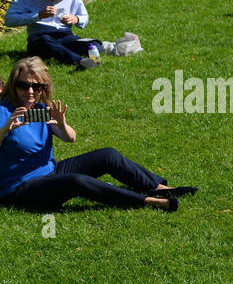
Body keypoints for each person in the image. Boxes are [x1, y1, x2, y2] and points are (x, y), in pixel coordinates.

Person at [0, 57, 193, 212]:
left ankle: (158, 188)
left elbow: (70, 138)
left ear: (45, 88)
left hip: (50, 172)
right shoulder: (3, 111)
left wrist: (61, 123)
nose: (30, 91)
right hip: (21, 188)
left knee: (107, 155)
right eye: (23, 85)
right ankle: (148, 201)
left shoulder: (39, 109)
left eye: (37, 87)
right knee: (76, 181)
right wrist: (6, 129)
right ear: (13, 84)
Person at [4, 0, 103, 69]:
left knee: (94, 44)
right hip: (40, 37)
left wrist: (75, 19)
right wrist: (38, 15)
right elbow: (9, 20)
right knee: (46, 43)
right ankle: (81, 61)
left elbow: (84, 17)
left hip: (65, 35)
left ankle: (70, 52)